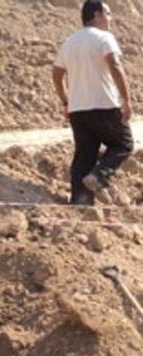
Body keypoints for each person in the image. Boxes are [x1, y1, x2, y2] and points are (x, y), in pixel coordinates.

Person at [53, 0, 133, 204]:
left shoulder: (69, 42)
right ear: (97, 15)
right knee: (123, 143)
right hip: (104, 104)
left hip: (78, 110)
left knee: (84, 156)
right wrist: (126, 99)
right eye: (108, 13)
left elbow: (56, 74)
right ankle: (99, 176)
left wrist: (65, 102)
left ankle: (80, 204)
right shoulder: (104, 38)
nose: (110, 18)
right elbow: (115, 65)